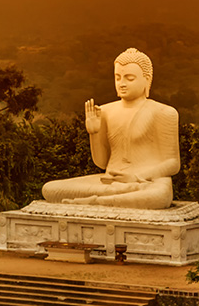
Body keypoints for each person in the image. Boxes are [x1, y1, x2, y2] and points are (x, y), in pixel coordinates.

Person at [41, 48, 180, 209]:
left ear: (146, 80)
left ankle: (98, 202)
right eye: (117, 77)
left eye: (129, 78)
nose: (122, 83)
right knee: (50, 189)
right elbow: (102, 162)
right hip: (110, 182)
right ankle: (115, 197)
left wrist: (136, 177)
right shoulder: (106, 111)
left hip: (147, 181)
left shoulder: (163, 112)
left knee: (158, 196)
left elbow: (173, 163)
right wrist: (93, 133)